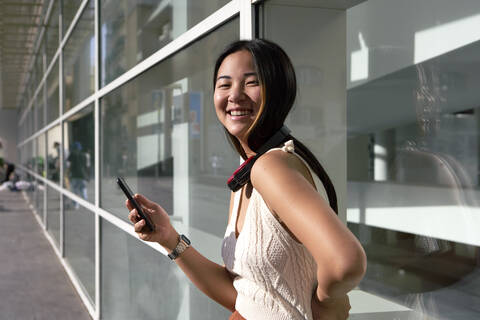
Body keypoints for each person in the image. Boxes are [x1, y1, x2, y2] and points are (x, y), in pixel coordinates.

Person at [126, 39, 366, 320]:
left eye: (251, 82)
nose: (235, 95)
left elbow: (345, 261)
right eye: (224, 85)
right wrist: (169, 238)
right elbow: (241, 295)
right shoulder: (247, 176)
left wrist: (327, 304)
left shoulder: (270, 167)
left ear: (277, 93)